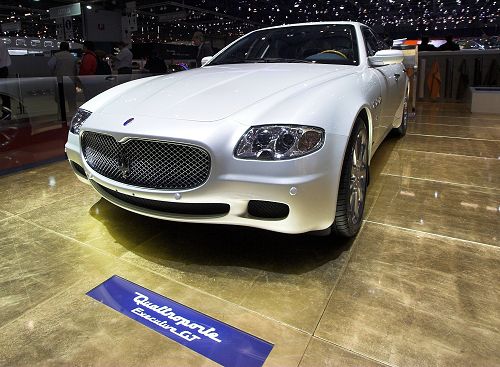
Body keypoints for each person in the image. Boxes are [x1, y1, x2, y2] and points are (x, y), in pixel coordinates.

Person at [48, 41, 77, 116]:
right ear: (68, 47)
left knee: (60, 100)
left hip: (60, 81)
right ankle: (73, 114)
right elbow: (76, 69)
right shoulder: (72, 57)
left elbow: (50, 65)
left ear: (60, 47)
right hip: (71, 81)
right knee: (72, 100)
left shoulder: (56, 56)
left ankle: (61, 115)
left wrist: (54, 72)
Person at [0, 39, 12, 119]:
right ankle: (7, 114)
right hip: (3, 69)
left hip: (0, 69)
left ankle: (6, 114)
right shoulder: (1, 42)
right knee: (4, 94)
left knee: (4, 94)